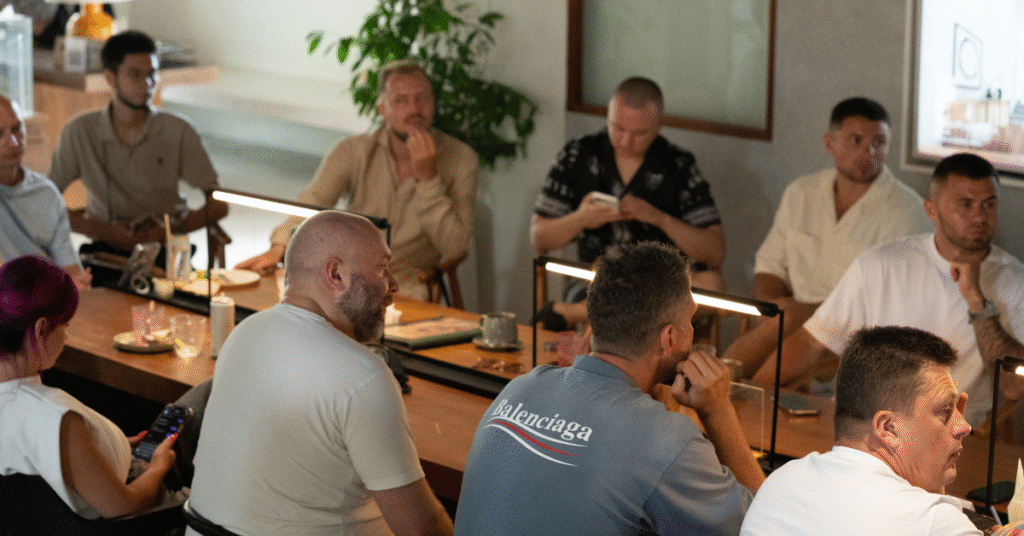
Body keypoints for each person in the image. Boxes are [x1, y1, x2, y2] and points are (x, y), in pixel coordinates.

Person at [454, 242, 763, 535]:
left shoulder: (520, 388)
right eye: (690, 321)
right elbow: (766, 524)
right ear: (668, 338)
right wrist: (719, 411)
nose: (692, 332)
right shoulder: (666, 442)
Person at [189, 211, 453, 535]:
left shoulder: (243, 333)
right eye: (382, 268)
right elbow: (423, 530)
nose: (394, 284)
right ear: (336, 274)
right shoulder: (363, 376)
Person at [752, 153, 1024, 426]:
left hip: (942, 434)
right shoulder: (882, 263)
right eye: (965, 205)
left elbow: (1014, 386)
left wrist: (976, 301)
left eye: (988, 205)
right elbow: (813, 342)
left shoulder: (1014, 280)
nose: (978, 217)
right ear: (931, 211)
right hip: (861, 426)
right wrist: (753, 394)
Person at [236, 59, 478, 302]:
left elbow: (455, 247)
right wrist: (279, 247)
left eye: (422, 98)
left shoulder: (462, 159)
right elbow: (313, 201)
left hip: (407, 284)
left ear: (433, 103)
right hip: (350, 276)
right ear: (383, 109)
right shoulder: (353, 150)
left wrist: (428, 179)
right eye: (400, 101)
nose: (414, 109)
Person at [722, 97, 930, 376]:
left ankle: (721, 387)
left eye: (879, 143)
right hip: (788, 322)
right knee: (782, 319)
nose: (868, 152)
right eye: (856, 140)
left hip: (858, 334)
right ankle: (720, 385)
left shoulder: (907, 210)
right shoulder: (802, 192)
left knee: (791, 322)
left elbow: (895, 303)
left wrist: (804, 315)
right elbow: (770, 265)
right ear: (830, 143)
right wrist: (773, 308)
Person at [740, 326, 979, 535]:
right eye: (945, 411)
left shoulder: (780, 482)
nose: (964, 427)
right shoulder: (937, 524)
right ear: (888, 428)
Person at [530, 77, 725, 329]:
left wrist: (660, 218)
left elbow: (715, 252)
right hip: (597, 280)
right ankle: (602, 311)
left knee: (713, 285)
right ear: (608, 116)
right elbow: (539, 239)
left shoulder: (678, 165)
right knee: (637, 308)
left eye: (639, 134)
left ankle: (574, 313)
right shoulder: (579, 154)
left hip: (661, 282)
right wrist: (581, 218)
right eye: (617, 128)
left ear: (659, 125)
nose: (625, 141)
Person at [0, 255, 177, 519]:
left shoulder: (33, 414)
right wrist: (159, 466)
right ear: (40, 329)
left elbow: (56, 462)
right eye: (65, 326)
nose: (66, 335)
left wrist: (108, 446)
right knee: (202, 399)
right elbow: (124, 506)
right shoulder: (57, 420)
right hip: (155, 518)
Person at [47, 30, 227, 255]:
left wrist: (170, 230)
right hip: (105, 251)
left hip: (165, 249)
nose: (147, 83)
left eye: (152, 74)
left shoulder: (178, 130)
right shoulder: (80, 131)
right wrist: (103, 230)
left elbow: (219, 203)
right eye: (135, 74)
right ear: (110, 78)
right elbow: (45, 201)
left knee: (186, 274)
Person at [0, 95, 90, 289]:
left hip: (43, 300)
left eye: (17, 129)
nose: (14, 142)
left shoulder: (46, 193)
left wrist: (77, 285)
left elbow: (71, 272)